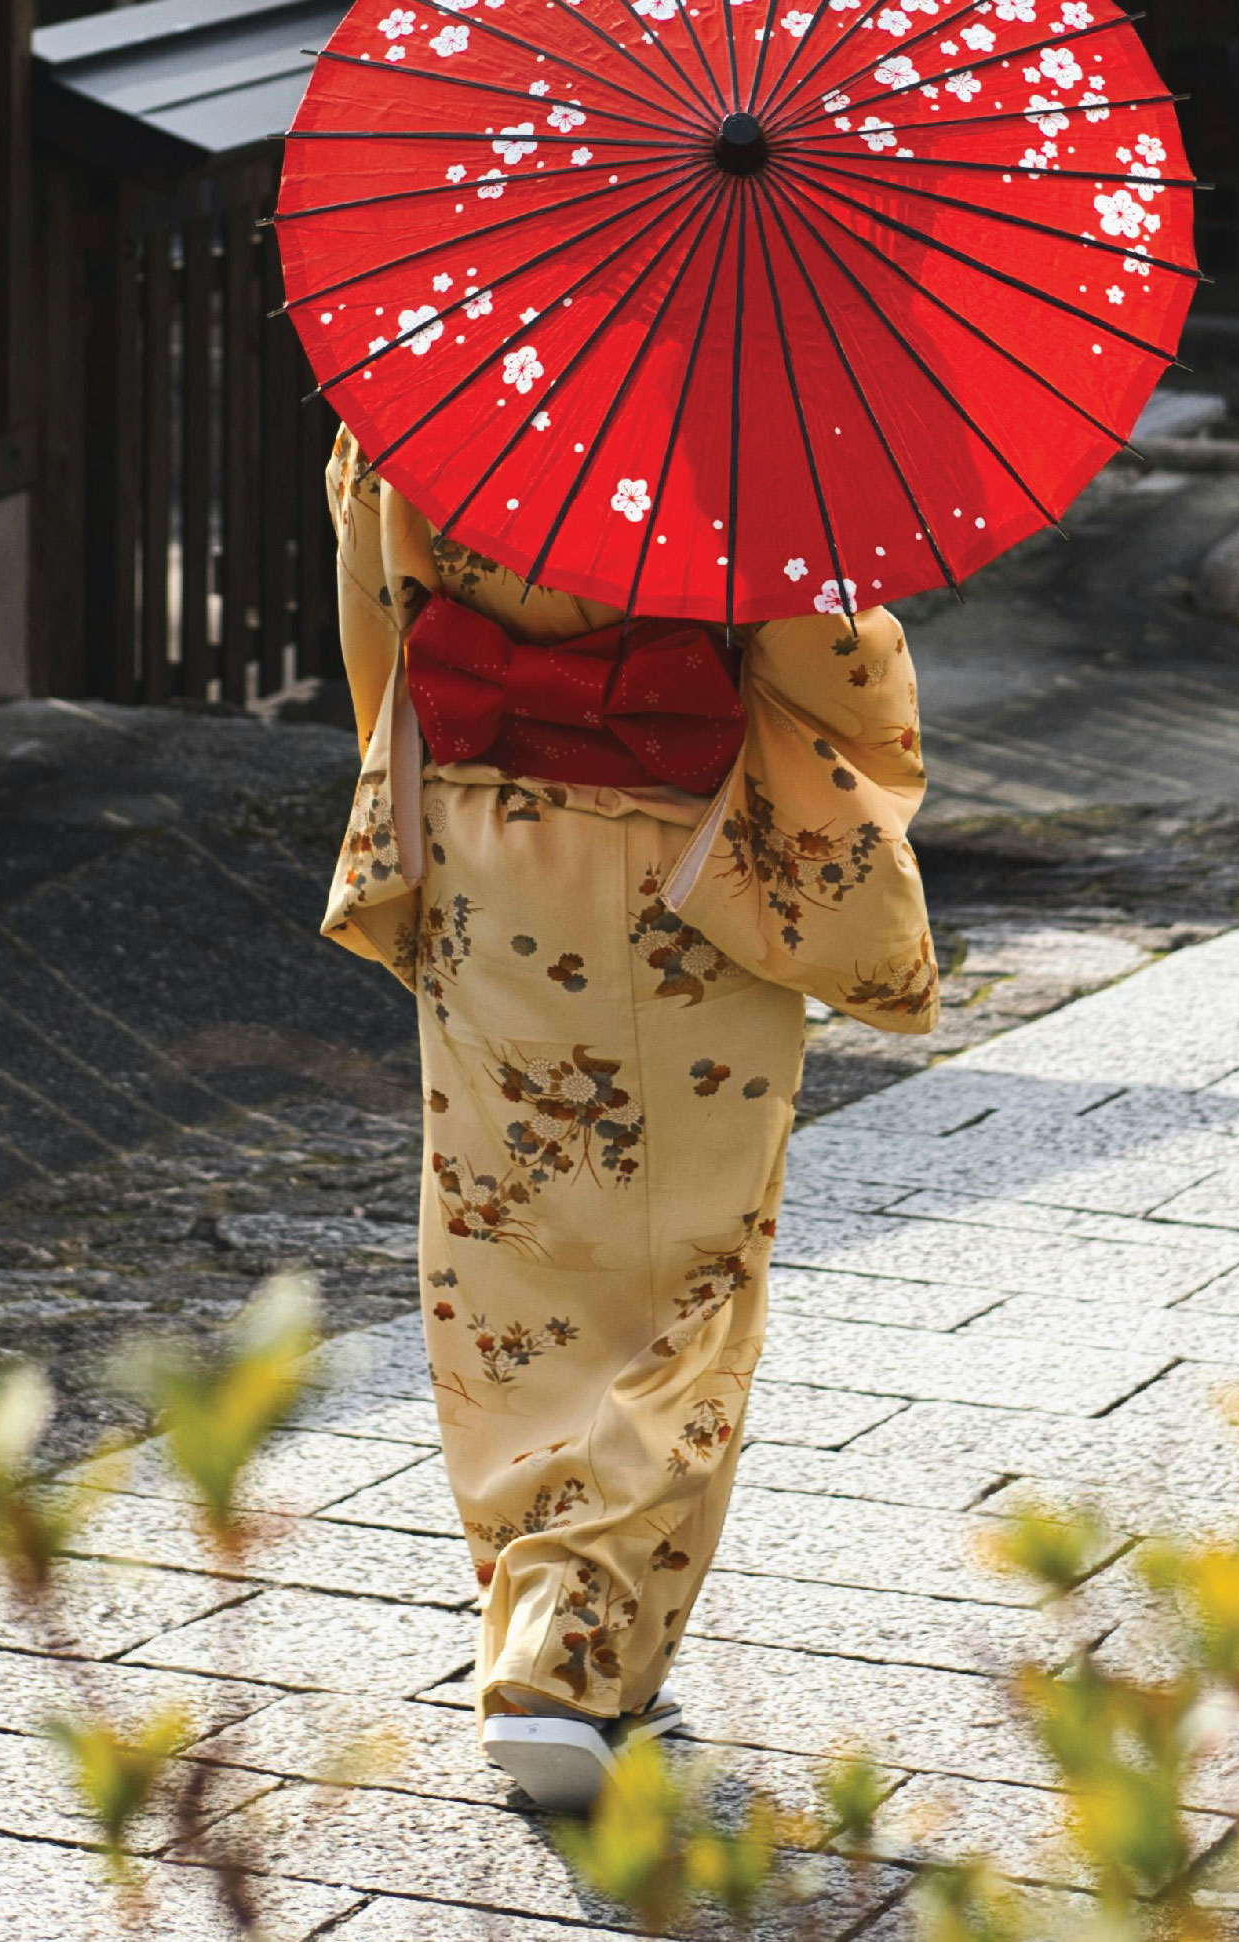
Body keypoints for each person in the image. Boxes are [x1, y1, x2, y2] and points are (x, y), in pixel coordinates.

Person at [320, 426, 938, 1809]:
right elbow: (830, 659)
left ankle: (540, 1612)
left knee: (508, 1257)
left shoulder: (429, 376)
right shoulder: (735, 395)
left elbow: (382, 621)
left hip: (488, 856)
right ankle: (574, 1656)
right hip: (682, 868)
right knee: (689, 1278)